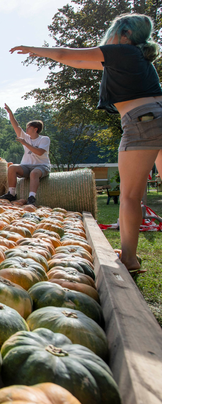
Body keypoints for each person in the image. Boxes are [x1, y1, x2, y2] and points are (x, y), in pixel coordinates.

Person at [10, 13, 161, 275]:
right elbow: (79, 62)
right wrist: (47, 56)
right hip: (164, 116)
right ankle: (130, 255)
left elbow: (66, 53)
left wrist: (34, 49)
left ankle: (129, 259)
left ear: (124, 34)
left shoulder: (122, 51)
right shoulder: (137, 59)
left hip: (142, 122)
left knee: (129, 195)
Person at [0, 104, 51, 206]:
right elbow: (16, 126)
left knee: (34, 173)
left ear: (36, 129)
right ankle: (11, 193)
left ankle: (31, 198)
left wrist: (24, 143)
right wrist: (10, 113)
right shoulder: (26, 137)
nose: (26, 129)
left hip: (41, 166)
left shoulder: (44, 139)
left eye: (29, 127)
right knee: (12, 168)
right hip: (26, 166)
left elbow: (39, 152)